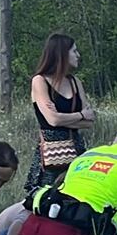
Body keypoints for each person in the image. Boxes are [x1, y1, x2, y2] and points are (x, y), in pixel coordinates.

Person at [25, 34, 95, 192]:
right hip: (51, 154)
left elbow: (89, 122)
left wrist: (63, 118)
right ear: (62, 53)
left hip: (76, 150)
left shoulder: (75, 82)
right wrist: (80, 115)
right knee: (45, 195)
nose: (78, 55)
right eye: (74, 51)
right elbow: (53, 120)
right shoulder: (40, 81)